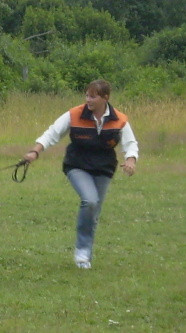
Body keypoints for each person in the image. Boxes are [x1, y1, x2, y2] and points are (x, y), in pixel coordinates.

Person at [23, 79, 139, 269]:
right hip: (77, 166)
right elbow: (52, 133)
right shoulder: (74, 114)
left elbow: (130, 144)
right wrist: (35, 151)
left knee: (93, 212)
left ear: (105, 98)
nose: (88, 100)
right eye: (87, 95)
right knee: (90, 201)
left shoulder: (119, 119)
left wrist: (131, 160)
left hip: (104, 169)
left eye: (93, 96)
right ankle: (82, 253)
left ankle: (86, 255)